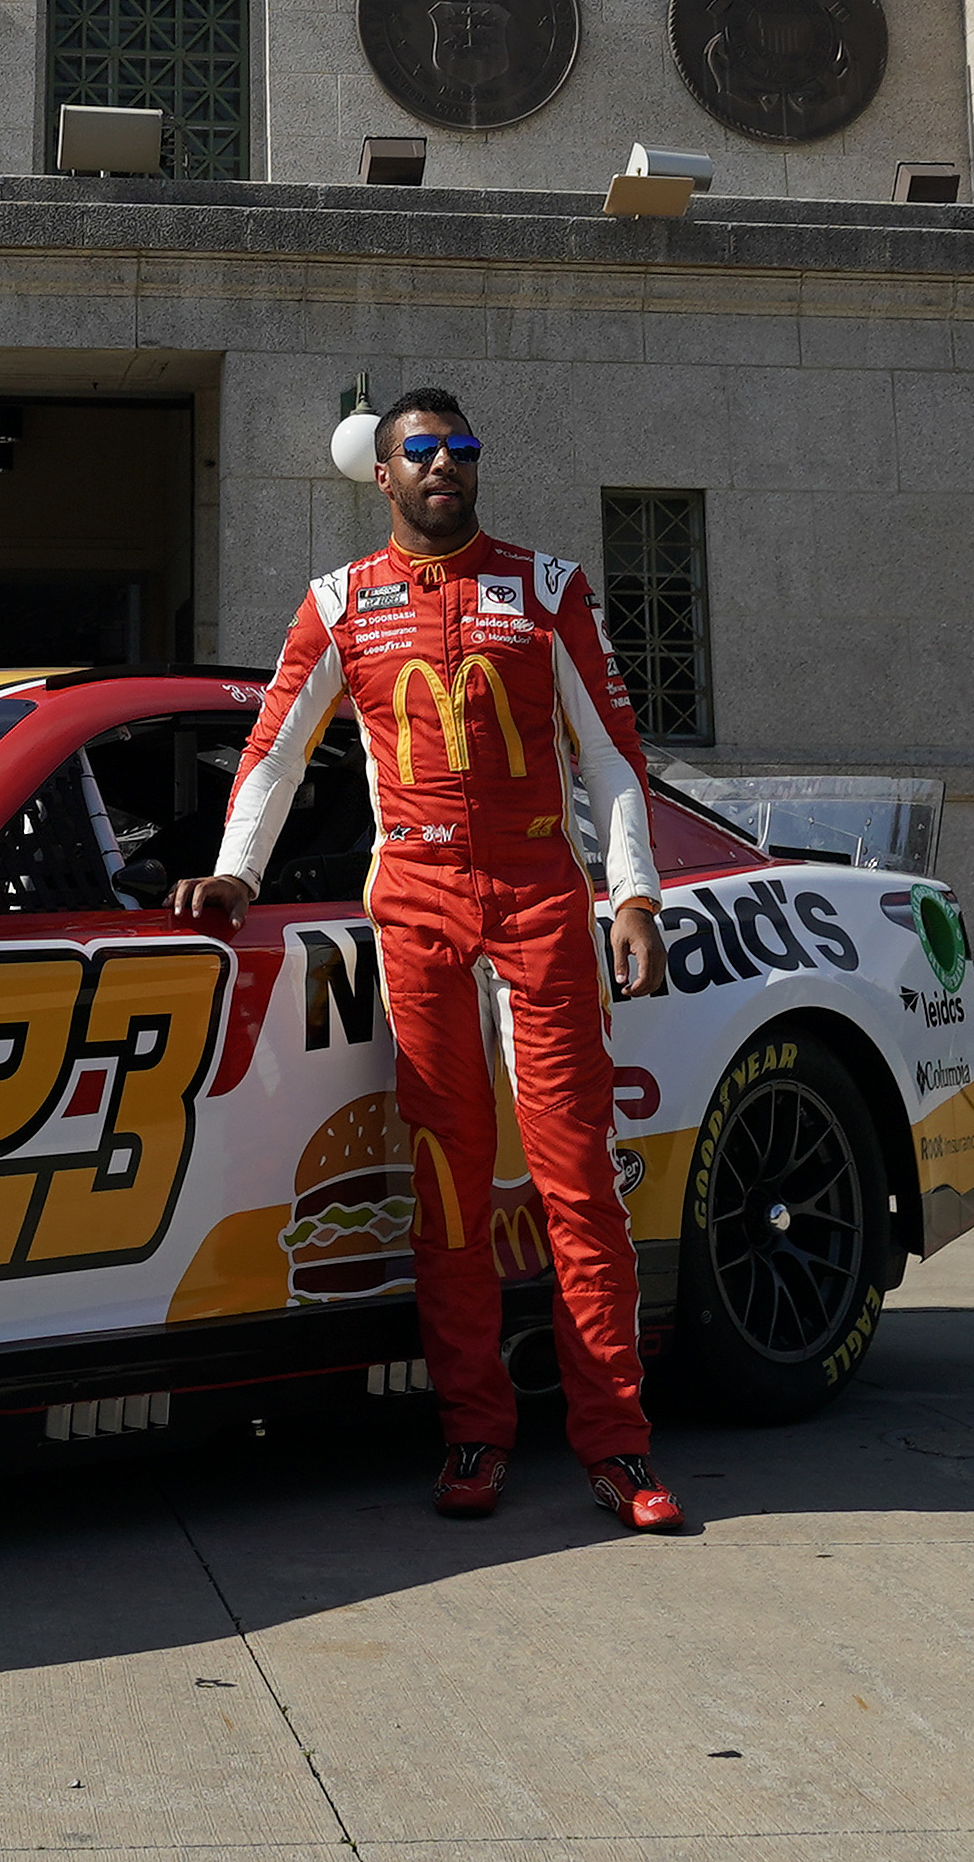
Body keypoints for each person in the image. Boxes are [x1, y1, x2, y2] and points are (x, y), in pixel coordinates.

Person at [178, 385, 692, 1533]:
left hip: (537, 898)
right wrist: (235, 876)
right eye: (422, 451)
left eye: (460, 449)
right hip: (411, 903)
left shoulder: (548, 587)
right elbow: (268, 752)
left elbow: (611, 759)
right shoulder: (335, 602)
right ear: (383, 474)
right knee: (449, 1183)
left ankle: (616, 1443)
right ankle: (473, 1433)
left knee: (576, 1177)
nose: (444, 466)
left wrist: (635, 897)